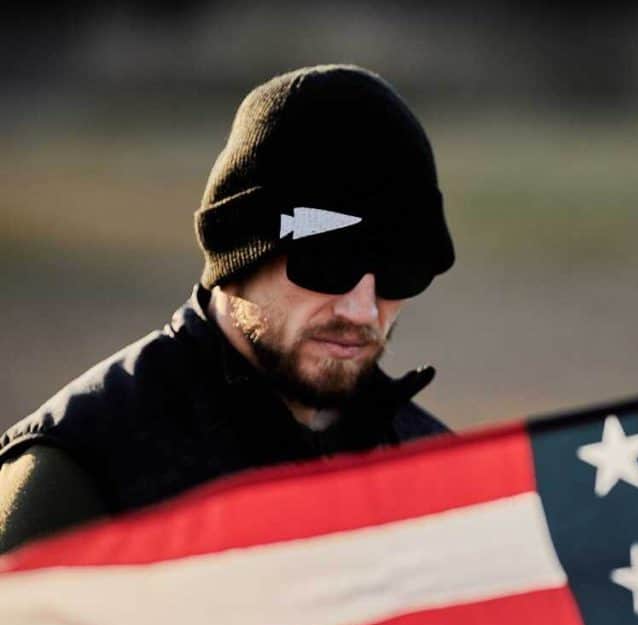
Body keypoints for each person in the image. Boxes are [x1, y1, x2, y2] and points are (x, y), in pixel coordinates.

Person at [0, 64, 457, 554]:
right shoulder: (82, 474)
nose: (363, 310)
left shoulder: (440, 476)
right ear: (239, 253)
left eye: (399, 269)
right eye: (329, 261)